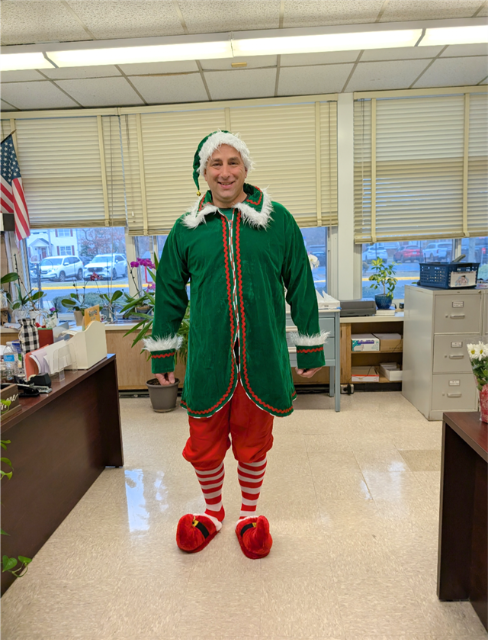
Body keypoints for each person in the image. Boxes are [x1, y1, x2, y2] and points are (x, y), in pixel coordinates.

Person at [145, 130, 328, 559]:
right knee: (204, 444)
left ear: (245, 168)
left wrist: (310, 345)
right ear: (204, 173)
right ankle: (212, 513)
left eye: (233, 163)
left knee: (253, 441)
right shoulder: (187, 228)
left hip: (260, 358)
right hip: (209, 359)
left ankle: (249, 514)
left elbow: (301, 282)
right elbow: (169, 292)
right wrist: (163, 353)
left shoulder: (277, 220)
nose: (225, 172)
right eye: (216, 164)